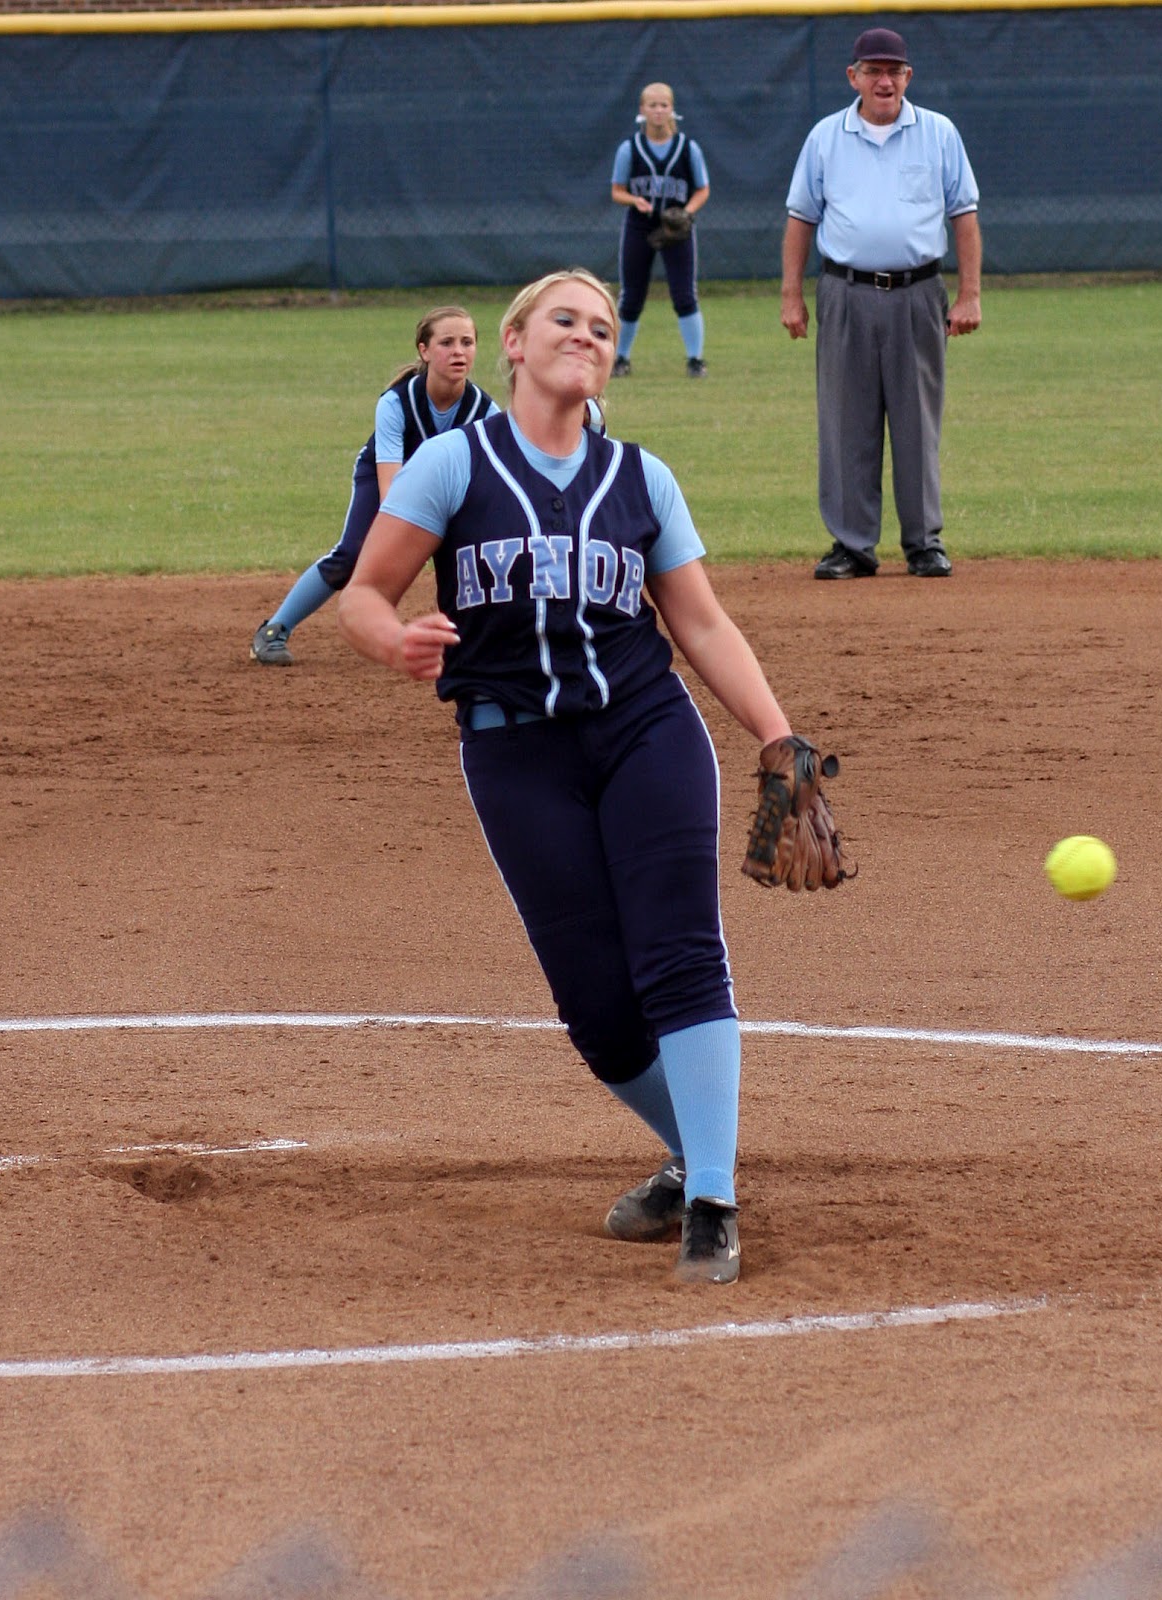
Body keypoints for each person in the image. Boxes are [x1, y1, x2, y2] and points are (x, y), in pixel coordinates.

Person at [338, 268, 800, 1286]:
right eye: (565, 319)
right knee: (596, 1006)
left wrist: (775, 735)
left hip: (645, 729)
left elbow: (700, 621)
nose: (586, 335)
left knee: (681, 954)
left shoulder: (642, 478)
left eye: (601, 325)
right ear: (513, 341)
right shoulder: (453, 468)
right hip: (515, 752)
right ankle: (695, 1154)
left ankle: (714, 1200)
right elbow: (367, 591)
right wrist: (392, 642)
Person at [781, 27, 981, 581]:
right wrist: (791, 294)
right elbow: (801, 217)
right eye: (873, 70)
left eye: (894, 70)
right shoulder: (825, 137)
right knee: (846, 421)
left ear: (908, 77)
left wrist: (969, 294)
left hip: (918, 292)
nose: (884, 80)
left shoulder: (938, 133)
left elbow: (963, 215)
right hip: (844, 292)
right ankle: (851, 544)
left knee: (918, 420)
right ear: (854, 77)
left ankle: (923, 542)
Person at [250, 306, 500, 666]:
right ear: (424, 350)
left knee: (475, 556)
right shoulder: (396, 403)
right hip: (385, 478)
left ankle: (483, 643)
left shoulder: (485, 410)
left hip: (448, 486)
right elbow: (391, 490)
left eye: (467, 342)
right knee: (352, 554)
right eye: (446, 342)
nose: (459, 351)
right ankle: (274, 629)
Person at [609, 82, 711, 379]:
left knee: (684, 295)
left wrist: (686, 213)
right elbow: (617, 191)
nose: (658, 110)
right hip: (639, 225)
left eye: (663, 104)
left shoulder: (687, 148)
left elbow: (703, 190)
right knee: (631, 296)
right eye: (652, 105)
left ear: (672, 109)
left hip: (677, 229)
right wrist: (634, 200)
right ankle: (621, 358)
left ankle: (695, 359)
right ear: (642, 110)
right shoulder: (630, 148)